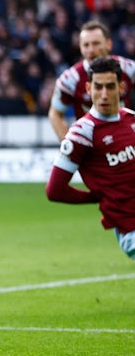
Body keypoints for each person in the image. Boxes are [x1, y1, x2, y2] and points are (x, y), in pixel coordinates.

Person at [46, 56, 135, 260]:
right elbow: (54, 191)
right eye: (98, 87)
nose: (104, 94)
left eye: (110, 87)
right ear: (88, 89)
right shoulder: (82, 133)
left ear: (121, 88)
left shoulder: (131, 118)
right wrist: (94, 196)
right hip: (130, 228)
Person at [48, 20, 135, 140]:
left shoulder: (128, 69)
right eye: (86, 45)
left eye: (96, 44)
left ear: (109, 44)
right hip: (92, 145)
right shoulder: (71, 79)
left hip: (125, 141)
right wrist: (69, 144)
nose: (91, 50)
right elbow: (55, 114)